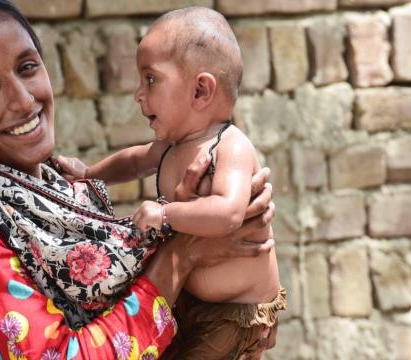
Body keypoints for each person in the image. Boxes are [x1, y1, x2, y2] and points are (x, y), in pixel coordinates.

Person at [0, 1, 276, 359]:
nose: (22, 99)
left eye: (28, 67)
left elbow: (146, 328)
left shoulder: (75, 194)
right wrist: (182, 252)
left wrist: (238, 309)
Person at [57, 7, 284, 359]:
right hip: (191, 300)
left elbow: (229, 212)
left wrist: (165, 214)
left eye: (151, 79)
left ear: (200, 91)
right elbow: (133, 161)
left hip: (236, 314)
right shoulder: (169, 147)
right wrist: (89, 173)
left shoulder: (229, 146)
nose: (138, 93)